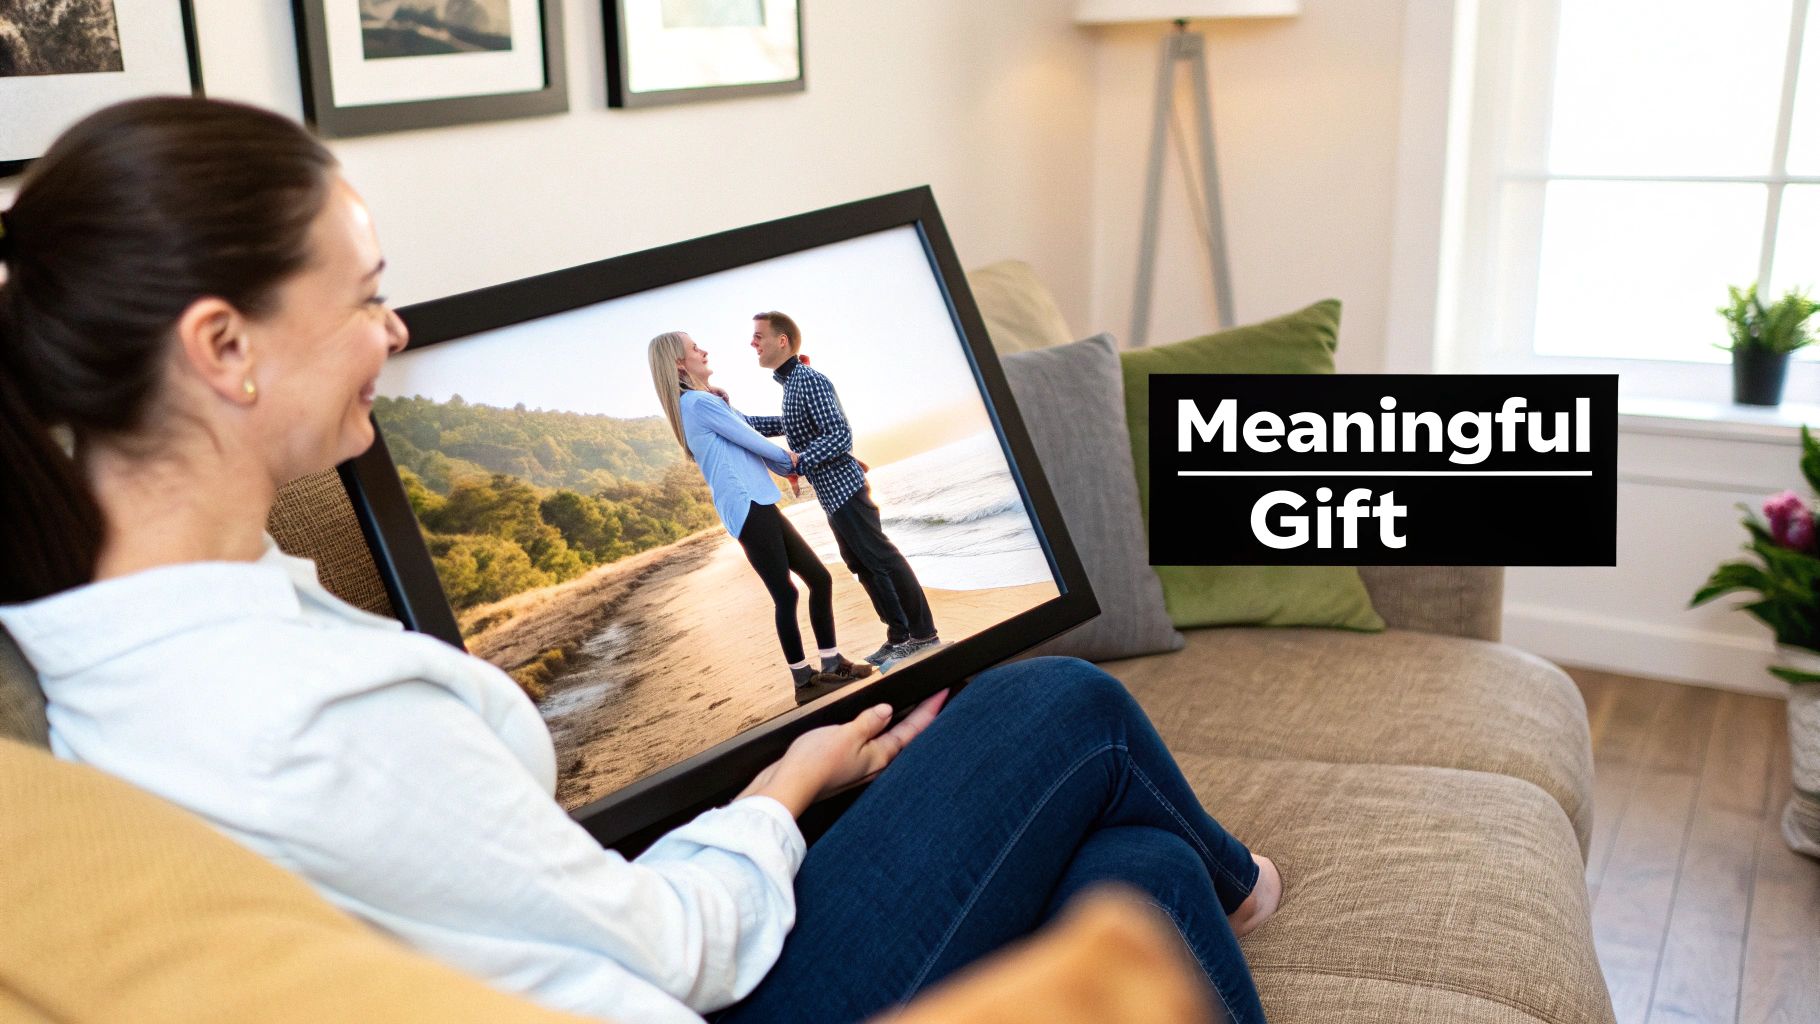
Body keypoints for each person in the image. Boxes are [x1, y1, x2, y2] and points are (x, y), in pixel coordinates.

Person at [0, 97, 1280, 1024]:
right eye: (364, 296)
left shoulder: (129, 631)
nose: (392, 330)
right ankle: (1247, 886)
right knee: (1054, 701)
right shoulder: (300, 714)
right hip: (677, 989)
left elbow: (534, 907)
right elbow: (667, 952)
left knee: (1144, 874)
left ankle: (1207, 889)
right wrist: (788, 781)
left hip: (612, 955)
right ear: (224, 347)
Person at [646, 330, 872, 702]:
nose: (703, 349)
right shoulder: (698, 406)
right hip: (747, 505)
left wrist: (787, 462)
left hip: (756, 503)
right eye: (694, 347)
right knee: (786, 593)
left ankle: (831, 665)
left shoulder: (702, 402)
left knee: (817, 578)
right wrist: (795, 463)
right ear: (678, 362)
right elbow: (754, 441)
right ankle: (804, 683)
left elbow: (745, 434)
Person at [745, 313, 939, 666]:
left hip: (846, 489)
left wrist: (798, 462)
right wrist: (732, 416)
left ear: (782, 340)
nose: (753, 343)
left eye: (759, 336)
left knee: (881, 560)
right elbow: (783, 425)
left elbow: (840, 435)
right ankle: (899, 636)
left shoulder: (808, 379)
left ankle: (923, 634)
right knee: (863, 566)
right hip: (833, 496)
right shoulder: (791, 386)